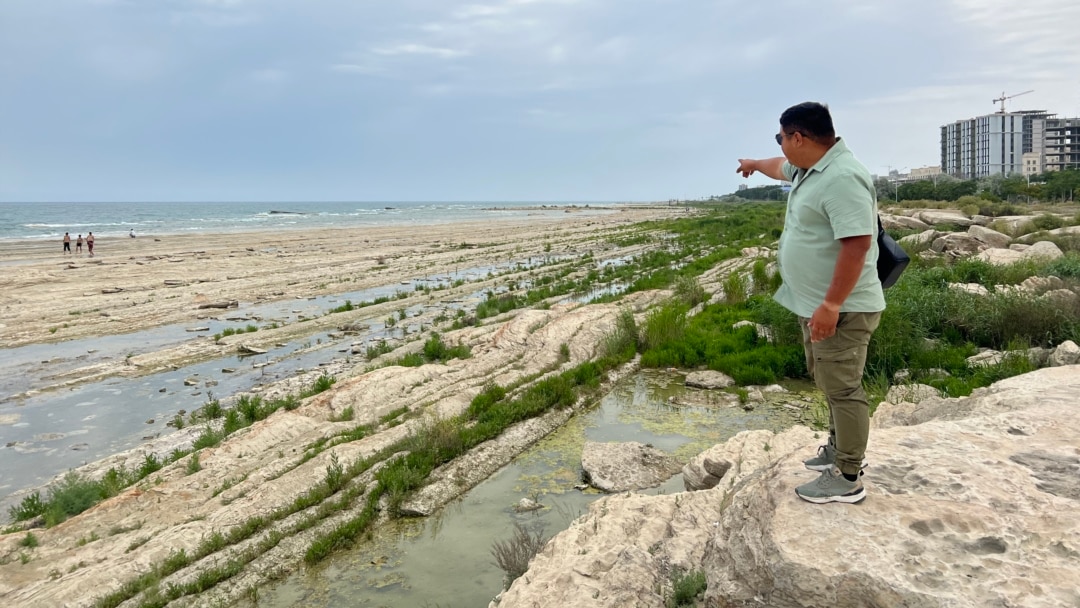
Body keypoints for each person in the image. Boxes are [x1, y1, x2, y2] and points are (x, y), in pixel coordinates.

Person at [736, 101, 885, 504]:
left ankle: (848, 475)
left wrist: (832, 305)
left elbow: (856, 245)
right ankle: (837, 450)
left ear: (798, 137)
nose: (780, 145)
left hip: (843, 307)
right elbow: (776, 166)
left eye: (781, 138)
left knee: (843, 387)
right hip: (814, 303)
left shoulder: (842, 177)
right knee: (827, 379)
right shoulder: (809, 168)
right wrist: (752, 162)